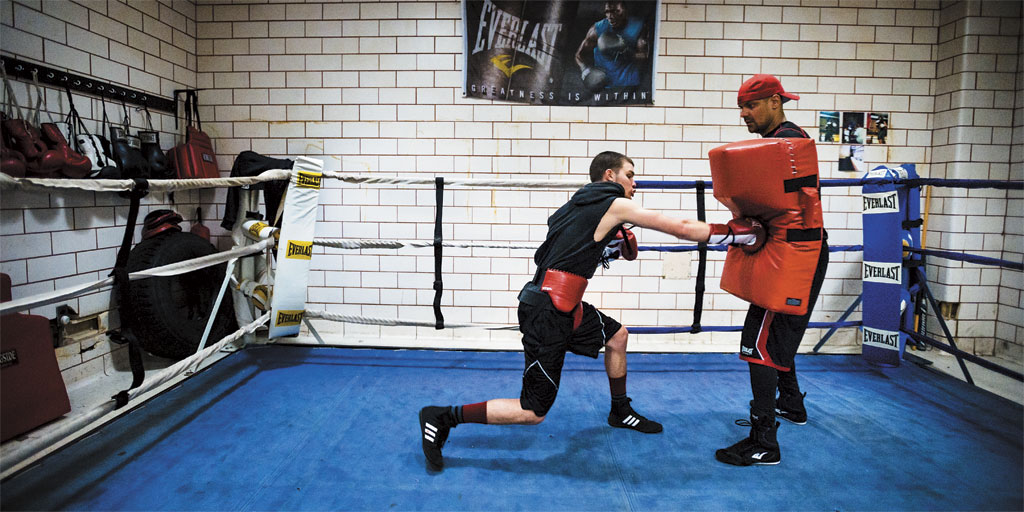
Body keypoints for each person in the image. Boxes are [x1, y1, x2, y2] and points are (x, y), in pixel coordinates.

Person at [419, 151, 766, 471]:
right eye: (631, 175)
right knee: (532, 411)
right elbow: (682, 228)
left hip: (564, 305)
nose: (635, 182)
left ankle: (620, 410)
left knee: (617, 336)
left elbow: (573, 252)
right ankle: (442, 417)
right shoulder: (613, 204)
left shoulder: (573, 207)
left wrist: (608, 247)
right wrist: (739, 234)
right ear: (610, 174)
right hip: (547, 313)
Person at [717, 74, 829, 466]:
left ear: (775, 101)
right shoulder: (781, 142)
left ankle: (764, 440)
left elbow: (790, 210)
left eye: (751, 106)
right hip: (796, 251)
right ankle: (792, 404)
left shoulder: (789, 144)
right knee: (776, 334)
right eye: (741, 108)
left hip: (793, 256)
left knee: (759, 342)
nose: (744, 114)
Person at [574, 1, 650, 91]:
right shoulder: (597, 29)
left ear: (625, 10)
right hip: (605, 86)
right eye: (607, 12)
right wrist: (585, 70)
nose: (610, 16)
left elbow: (645, 55)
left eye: (615, 11)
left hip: (629, 86)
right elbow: (579, 55)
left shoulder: (638, 26)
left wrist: (626, 51)